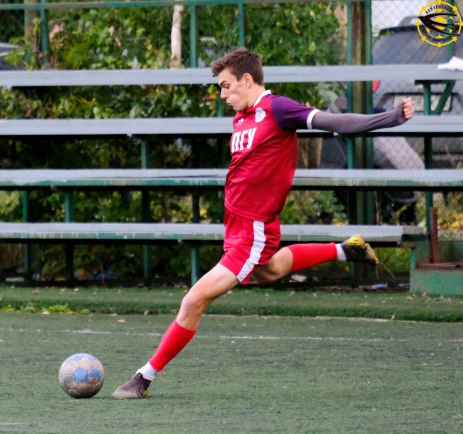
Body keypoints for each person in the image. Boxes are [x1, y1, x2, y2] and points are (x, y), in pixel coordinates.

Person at [112, 48, 414, 399]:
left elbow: (336, 123)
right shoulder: (241, 118)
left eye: (226, 86)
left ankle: (143, 378)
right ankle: (345, 250)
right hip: (235, 225)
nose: (222, 95)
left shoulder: (279, 109)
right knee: (269, 272)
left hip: (253, 230)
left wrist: (390, 118)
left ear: (246, 79)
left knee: (193, 301)